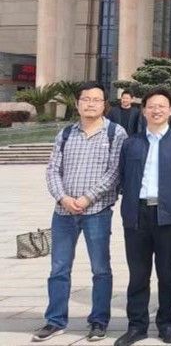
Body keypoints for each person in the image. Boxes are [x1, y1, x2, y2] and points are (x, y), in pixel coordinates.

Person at [34, 82, 128, 343]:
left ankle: (98, 321)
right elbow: (53, 170)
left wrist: (87, 198)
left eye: (96, 100)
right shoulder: (66, 134)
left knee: (100, 268)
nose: (90, 104)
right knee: (59, 268)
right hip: (63, 212)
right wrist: (63, 197)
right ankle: (55, 320)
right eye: (86, 99)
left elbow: (114, 172)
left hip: (97, 211)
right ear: (77, 104)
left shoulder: (115, 133)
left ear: (104, 105)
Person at [114, 88, 171, 346]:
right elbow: (122, 177)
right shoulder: (131, 143)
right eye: (151, 106)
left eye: (162, 106)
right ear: (144, 110)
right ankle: (136, 326)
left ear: (170, 110)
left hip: (169, 216)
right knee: (138, 274)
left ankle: (167, 324)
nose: (156, 110)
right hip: (137, 215)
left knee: (168, 275)